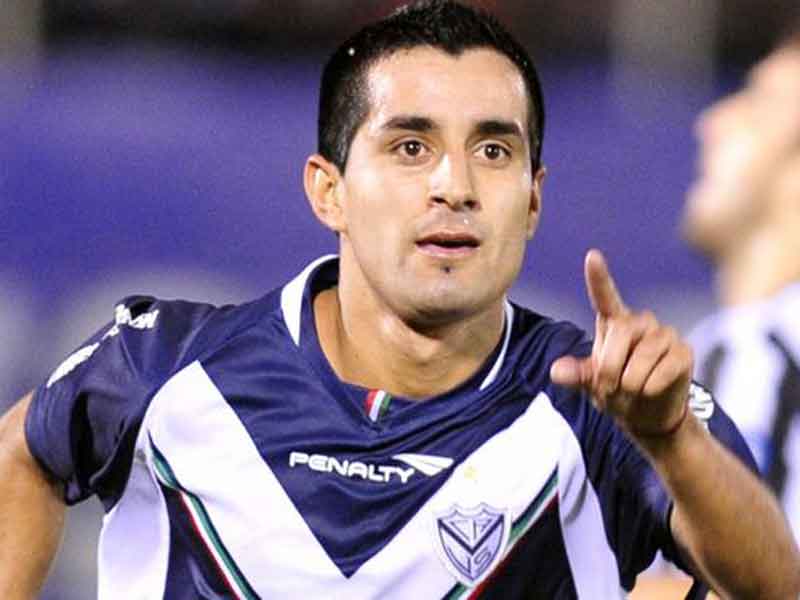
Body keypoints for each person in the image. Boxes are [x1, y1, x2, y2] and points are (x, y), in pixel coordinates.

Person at [1, 1, 798, 598]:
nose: (455, 185)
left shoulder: (600, 408)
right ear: (330, 191)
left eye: (494, 150)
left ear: (532, 200)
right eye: (411, 147)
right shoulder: (166, 367)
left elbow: (775, 585)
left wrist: (671, 442)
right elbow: (25, 454)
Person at [682, 27, 800, 545]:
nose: (713, 122)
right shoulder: (734, 348)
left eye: (757, 104)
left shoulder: (761, 356)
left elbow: (740, 580)